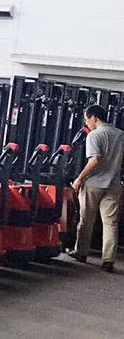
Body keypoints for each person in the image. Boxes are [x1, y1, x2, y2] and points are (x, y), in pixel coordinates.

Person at [67, 104, 124, 272]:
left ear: (94, 118)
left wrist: (79, 179)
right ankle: (108, 260)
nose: (87, 123)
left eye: (87, 120)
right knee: (111, 223)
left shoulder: (94, 135)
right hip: (113, 184)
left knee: (86, 219)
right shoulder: (120, 134)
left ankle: (81, 252)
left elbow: (95, 160)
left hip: (93, 184)